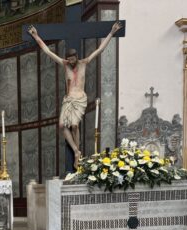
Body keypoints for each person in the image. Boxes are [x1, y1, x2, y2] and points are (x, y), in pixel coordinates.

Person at [28, 21, 122, 167]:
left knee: (74, 125)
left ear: (77, 57)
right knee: (61, 125)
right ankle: (76, 151)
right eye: (69, 60)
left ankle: (77, 155)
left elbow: (100, 49)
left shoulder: (84, 63)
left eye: (73, 59)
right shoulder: (64, 64)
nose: (71, 62)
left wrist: (111, 32)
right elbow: (48, 52)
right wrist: (36, 36)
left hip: (80, 99)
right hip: (68, 99)